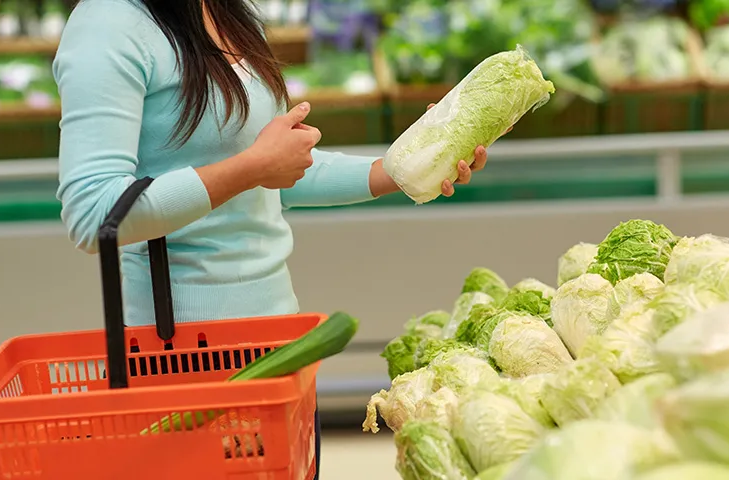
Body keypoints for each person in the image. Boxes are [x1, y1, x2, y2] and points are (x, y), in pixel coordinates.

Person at [54, 0, 499, 477]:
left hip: (280, 345)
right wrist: (252, 167)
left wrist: (407, 167)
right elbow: (94, 212)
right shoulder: (108, 24)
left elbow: (274, 172)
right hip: (181, 358)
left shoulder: (227, 9)